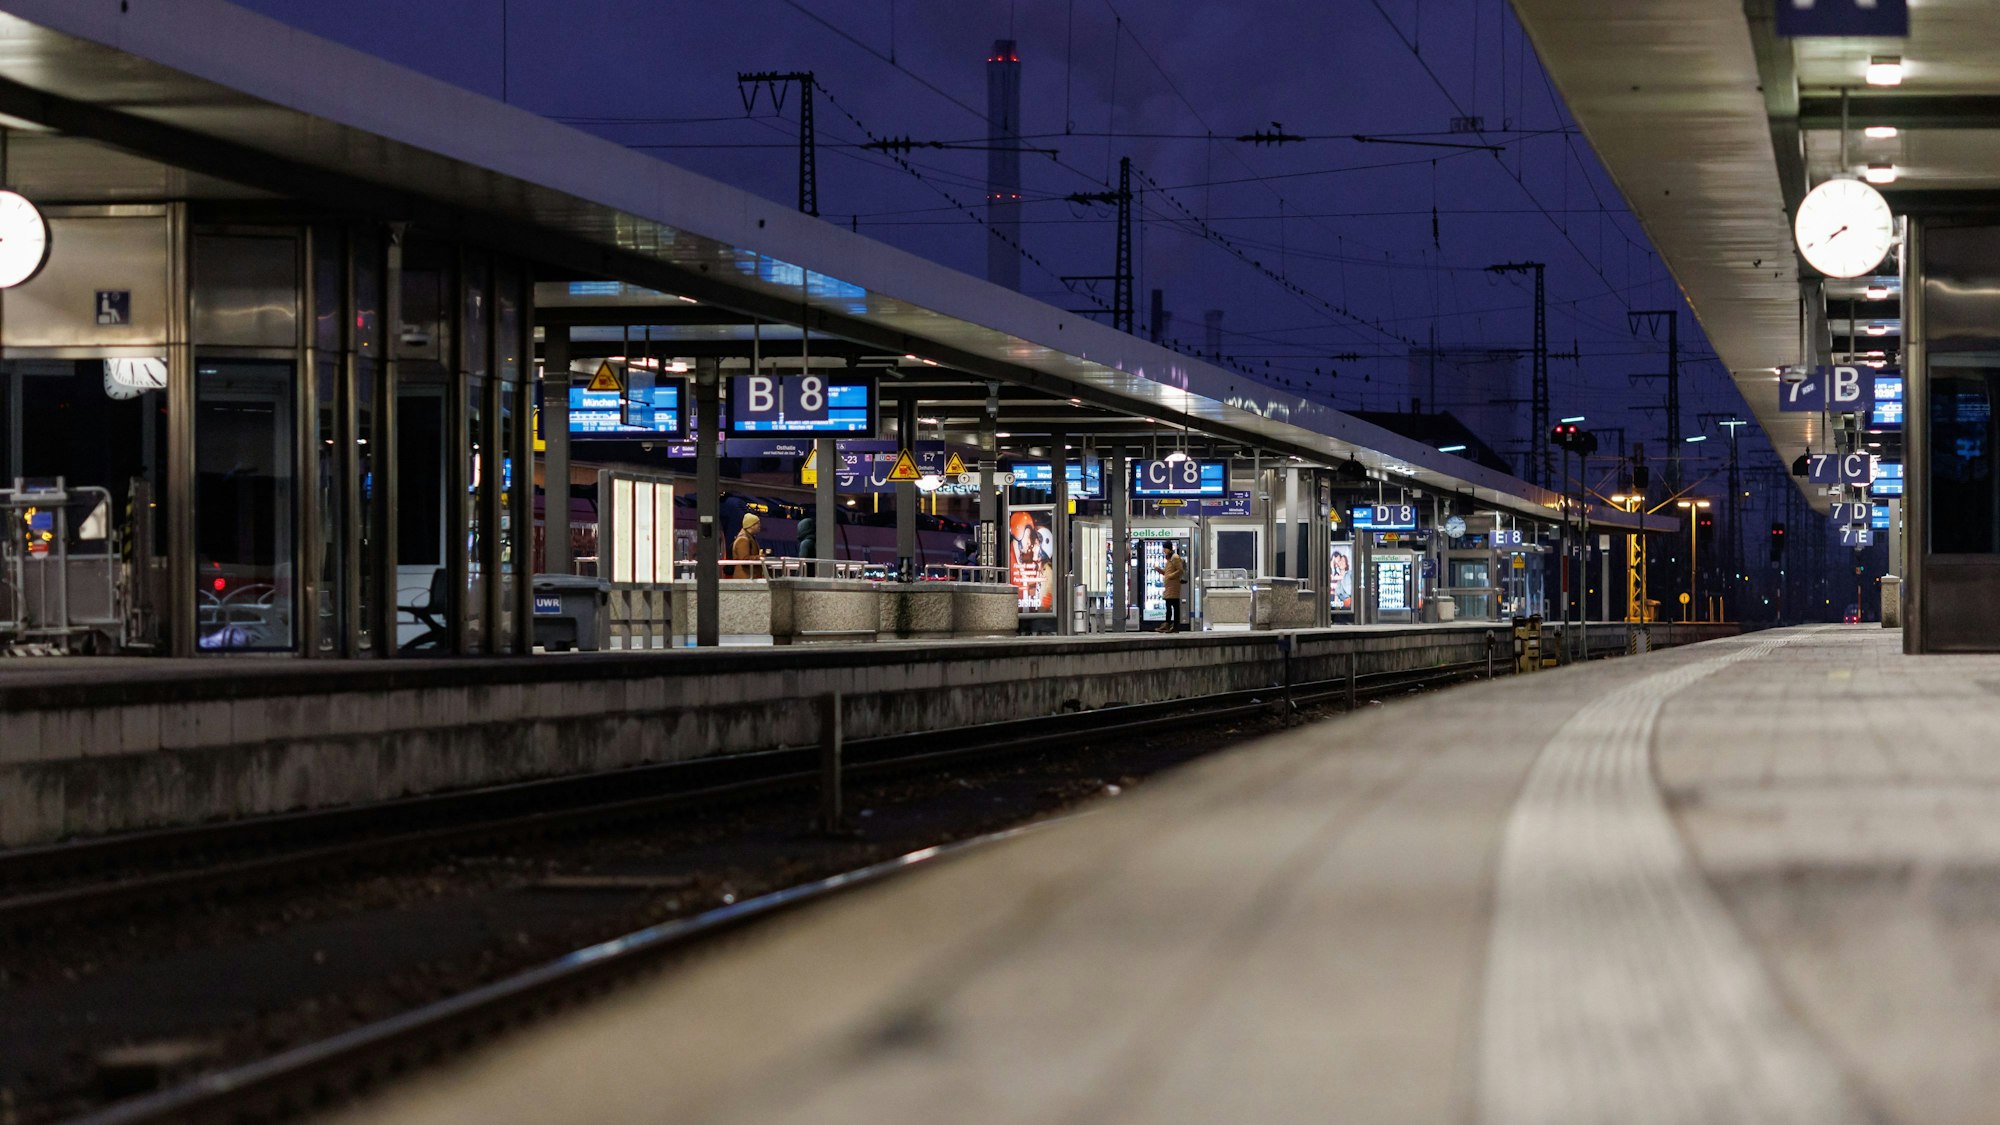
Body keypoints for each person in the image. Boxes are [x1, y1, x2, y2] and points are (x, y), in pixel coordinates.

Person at [1157, 542, 1187, 632]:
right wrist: (1159, 570)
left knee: (1172, 606)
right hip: (1170, 586)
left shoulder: (1175, 558)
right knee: (1170, 605)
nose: (1163, 550)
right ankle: (1170, 624)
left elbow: (1180, 570)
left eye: (1164, 548)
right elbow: (1167, 573)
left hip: (1173, 586)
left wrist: (1170, 576)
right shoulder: (1170, 559)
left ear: (1169, 549)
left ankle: (1172, 625)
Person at [730, 512, 764, 577]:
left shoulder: (750, 538)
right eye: (757, 523)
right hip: (745, 578)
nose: (760, 525)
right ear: (751, 525)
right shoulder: (743, 540)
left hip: (749, 577)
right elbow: (744, 560)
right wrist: (760, 557)